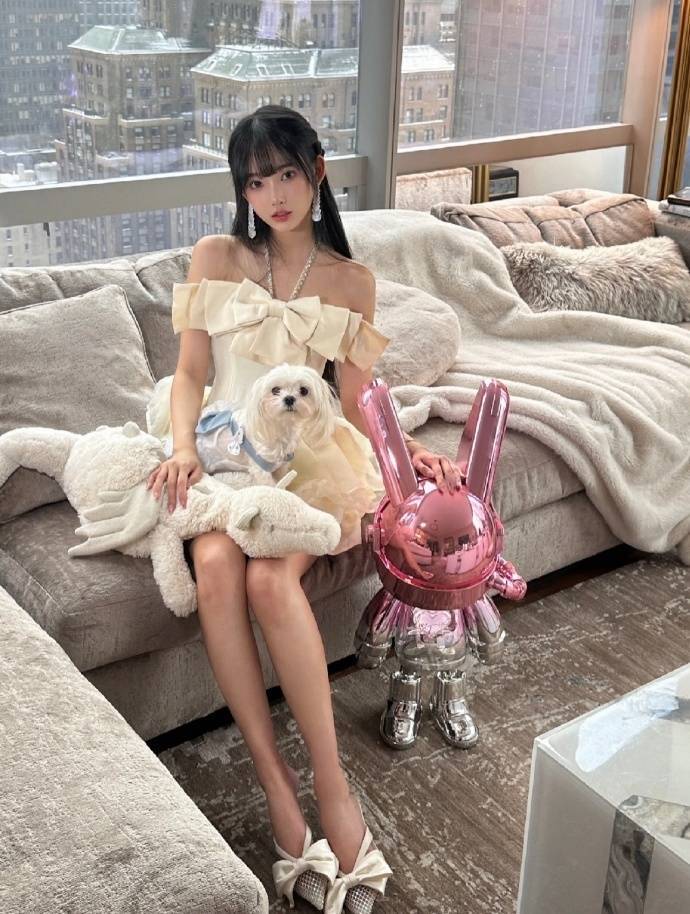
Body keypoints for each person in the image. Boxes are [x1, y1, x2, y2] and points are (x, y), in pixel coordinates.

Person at [145, 105, 461, 913]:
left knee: (267, 579)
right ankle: (276, 786)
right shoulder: (216, 256)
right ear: (242, 190)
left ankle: (332, 786)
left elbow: (354, 401)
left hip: (305, 459)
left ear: (317, 170)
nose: (274, 195)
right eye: (256, 182)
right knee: (219, 565)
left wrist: (407, 452)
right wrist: (181, 447)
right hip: (220, 446)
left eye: (287, 174)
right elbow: (190, 373)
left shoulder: (351, 281)